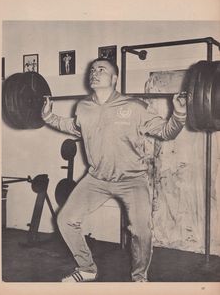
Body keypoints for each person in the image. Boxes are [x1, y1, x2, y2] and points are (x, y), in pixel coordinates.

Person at [41, 58, 186, 282]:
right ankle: (87, 268)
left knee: (142, 231)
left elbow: (166, 132)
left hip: (132, 180)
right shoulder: (83, 107)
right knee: (66, 219)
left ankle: (139, 278)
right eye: (92, 69)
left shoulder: (135, 107)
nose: (95, 72)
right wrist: (49, 116)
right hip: (97, 179)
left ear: (115, 78)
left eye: (102, 69)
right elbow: (73, 126)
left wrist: (178, 114)